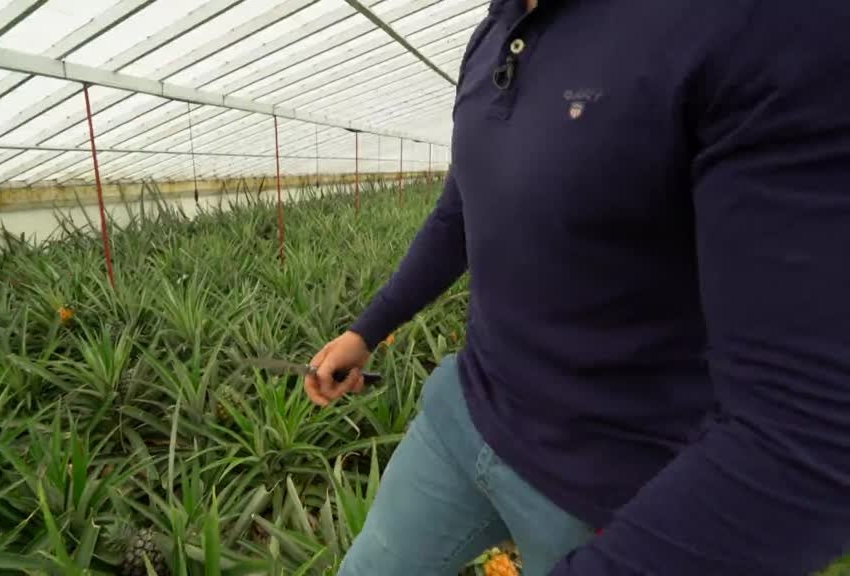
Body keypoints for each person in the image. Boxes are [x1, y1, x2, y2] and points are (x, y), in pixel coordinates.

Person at [303, 0, 850, 574]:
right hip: (461, 418)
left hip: (602, 490)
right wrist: (367, 330)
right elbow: (458, 212)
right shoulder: (494, 33)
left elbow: (812, 431)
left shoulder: (761, 23)